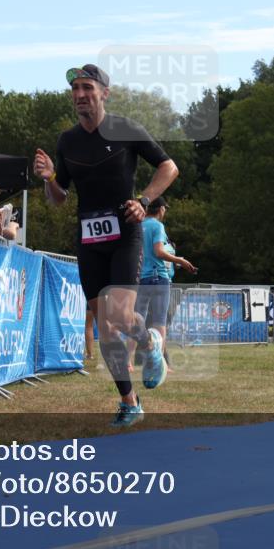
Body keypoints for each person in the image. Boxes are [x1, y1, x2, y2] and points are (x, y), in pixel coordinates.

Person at [33, 63, 179, 427]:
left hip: (125, 234)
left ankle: (149, 342)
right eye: (75, 89)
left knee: (119, 316)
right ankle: (130, 402)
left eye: (87, 87)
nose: (80, 94)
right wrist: (50, 177)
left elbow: (169, 167)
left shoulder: (125, 128)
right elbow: (59, 198)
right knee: (106, 326)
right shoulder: (68, 141)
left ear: (104, 93)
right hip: (89, 238)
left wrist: (143, 201)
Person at [134, 197, 196, 370]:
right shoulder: (157, 226)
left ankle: (128, 362)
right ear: (160, 209)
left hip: (141, 279)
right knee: (160, 322)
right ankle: (160, 362)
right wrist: (180, 261)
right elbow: (159, 252)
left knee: (137, 320)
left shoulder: (137, 225)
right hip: (158, 278)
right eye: (165, 208)